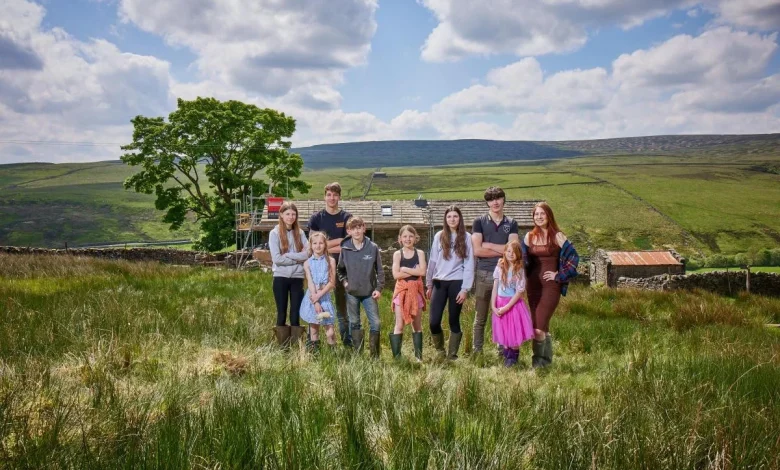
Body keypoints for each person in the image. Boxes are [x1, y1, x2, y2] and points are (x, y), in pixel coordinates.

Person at [522, 202, 579, 368]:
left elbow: (574, 258)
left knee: (538, 329)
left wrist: (559, 275)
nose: (539, 217)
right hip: (532, 286)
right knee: (541, 327)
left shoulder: (558, 236)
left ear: (549, 216)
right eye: (536, 215)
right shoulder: (528, 237)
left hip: (550, 287)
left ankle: (538, 365)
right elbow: (523, 261)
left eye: (542, 214)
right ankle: (546, 363)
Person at [471, 187, 519, 356]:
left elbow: (514, 250)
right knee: (481, 317)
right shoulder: (479, 221)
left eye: (498, 198)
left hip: (506, 275)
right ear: (487, 203)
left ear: (503, 200)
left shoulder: (511, 223)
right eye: (491, 199)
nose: (495, 202)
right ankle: (477, 353)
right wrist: (504, 250)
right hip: (483, 273)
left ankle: (503, 353)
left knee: (502, 315)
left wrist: (489, 245)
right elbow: (477, 250)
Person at [426, 205, 474, 360]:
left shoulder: (466, 237)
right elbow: (432, 260)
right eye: (449, 217)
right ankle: (440, 351)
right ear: (445, 219)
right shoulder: (439, 236)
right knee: (434, 321)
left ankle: (452, 355)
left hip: (457, 282)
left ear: (459, 218)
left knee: (454, 319)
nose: (452, 219)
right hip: (439, 282)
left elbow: (469, 264)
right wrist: (429, 284)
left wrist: (465, 289)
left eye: (455, 216)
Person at [308, 182, 353, 347]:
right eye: (329, 195)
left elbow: (347, 244)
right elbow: (313, 244)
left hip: (342, 267)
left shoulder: (347, 218)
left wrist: (325, 244)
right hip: (320, 267)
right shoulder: (316, 218)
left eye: (335, 195)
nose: (332, 198)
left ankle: (347, 341)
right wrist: (337, 242)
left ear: (339, 197)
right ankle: (313, 342)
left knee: (342, 307)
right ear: (324, 196)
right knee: (317, 304)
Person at [337, 216, 385, 358]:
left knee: (375, 323)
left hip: (369, 293)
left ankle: (374, 356)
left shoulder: (373, 247)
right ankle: (358, 354)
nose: (357, 231)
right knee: (354, 322)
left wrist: (379, 288)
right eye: (353, 228)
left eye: (359, 227)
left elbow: (380, 271)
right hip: (352, 293)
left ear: (364, 228)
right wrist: (345, 283)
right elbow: (340, 270)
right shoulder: (345, 248)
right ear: (349, 231)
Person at [268, 201, 309, 348]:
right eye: (287, 214)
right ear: (281, 215)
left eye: (293, 214)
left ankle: (296, 347)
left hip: (297, 278)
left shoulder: (301, 233)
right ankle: (282, 347)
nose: (291, 217)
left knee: (295, 314)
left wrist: (290, 255)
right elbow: (277, 259)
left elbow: (308, 253)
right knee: (281, 313)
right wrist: (297, 259)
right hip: (280, 277)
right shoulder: (274, 233)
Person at [491, 240, 534, 367]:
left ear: (518, 255)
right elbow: (495, 286)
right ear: (504, 252)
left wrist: (507, 307)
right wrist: (493, 306)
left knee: (513, 333)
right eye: (508, 251)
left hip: (512, 305)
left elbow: (519, 292)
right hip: (499, 302)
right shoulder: (499, 267)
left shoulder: (519, 270)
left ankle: (513, 359)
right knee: (504, 332)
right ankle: (506, 357)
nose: (510, 254)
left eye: (514, 252)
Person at [390, 225, 427, 360]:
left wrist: (404, 269)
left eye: (411, 236)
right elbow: (395, 275)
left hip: (416, 293)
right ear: (400, 239)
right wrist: (413, 271)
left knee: (416, 325)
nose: (408, 239)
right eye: (405, 236)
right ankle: (397, 357)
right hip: (402, 293)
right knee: (399, 325)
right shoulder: (397, 254)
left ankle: (418, 357)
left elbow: (422, 272)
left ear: (415, 238)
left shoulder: (420, 253)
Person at [299, 231, 337, 353]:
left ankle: (333, 356)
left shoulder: (330, 261)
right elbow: (310, 282)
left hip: (324, 296)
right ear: (311, 245)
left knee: (330, 331)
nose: (318, 246)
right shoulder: (307, 263)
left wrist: (319, 295)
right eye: (315, 243)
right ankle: (315, 356)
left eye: (321, 243)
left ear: (325, 245)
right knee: (314, 329)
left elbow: (332, 282)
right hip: (311, 297)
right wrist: (315, 301)